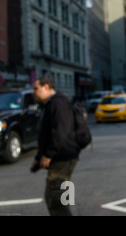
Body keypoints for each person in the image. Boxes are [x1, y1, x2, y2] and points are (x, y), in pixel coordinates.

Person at [31, 76, 80, 216]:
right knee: (58, 197)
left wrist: (48, 154)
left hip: (63, 157)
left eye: (36, 88)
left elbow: (60, 132)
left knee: (56, 198)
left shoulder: (58, 104)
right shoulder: (51, 104)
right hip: (62, 156)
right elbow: (46, 134)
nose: (33, 92)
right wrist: (39, 156)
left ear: (46, 87)